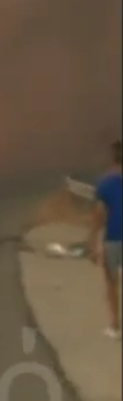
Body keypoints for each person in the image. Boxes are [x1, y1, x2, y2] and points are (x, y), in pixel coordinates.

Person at [89, 140, 122, 340]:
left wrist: (93, 241)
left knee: (111, 283)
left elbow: (100, 215)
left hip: (113, 240)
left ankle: (115, 326)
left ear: (113, 157)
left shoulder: (105, 183)